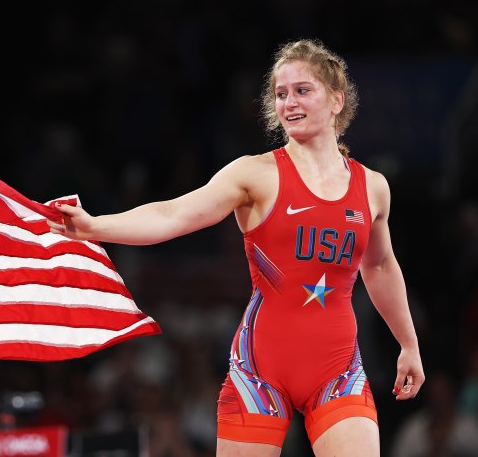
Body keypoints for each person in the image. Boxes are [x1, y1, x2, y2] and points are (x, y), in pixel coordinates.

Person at [48, 39, 425, 456]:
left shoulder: (372, 187)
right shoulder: (255, 174)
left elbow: (380, 267)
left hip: (338, 371)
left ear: (337, 100)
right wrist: (95, 226)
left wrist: (408, 344)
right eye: (281, 94)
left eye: (303, 90)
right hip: (260, 371)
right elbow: (174, 215)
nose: (289, 102)